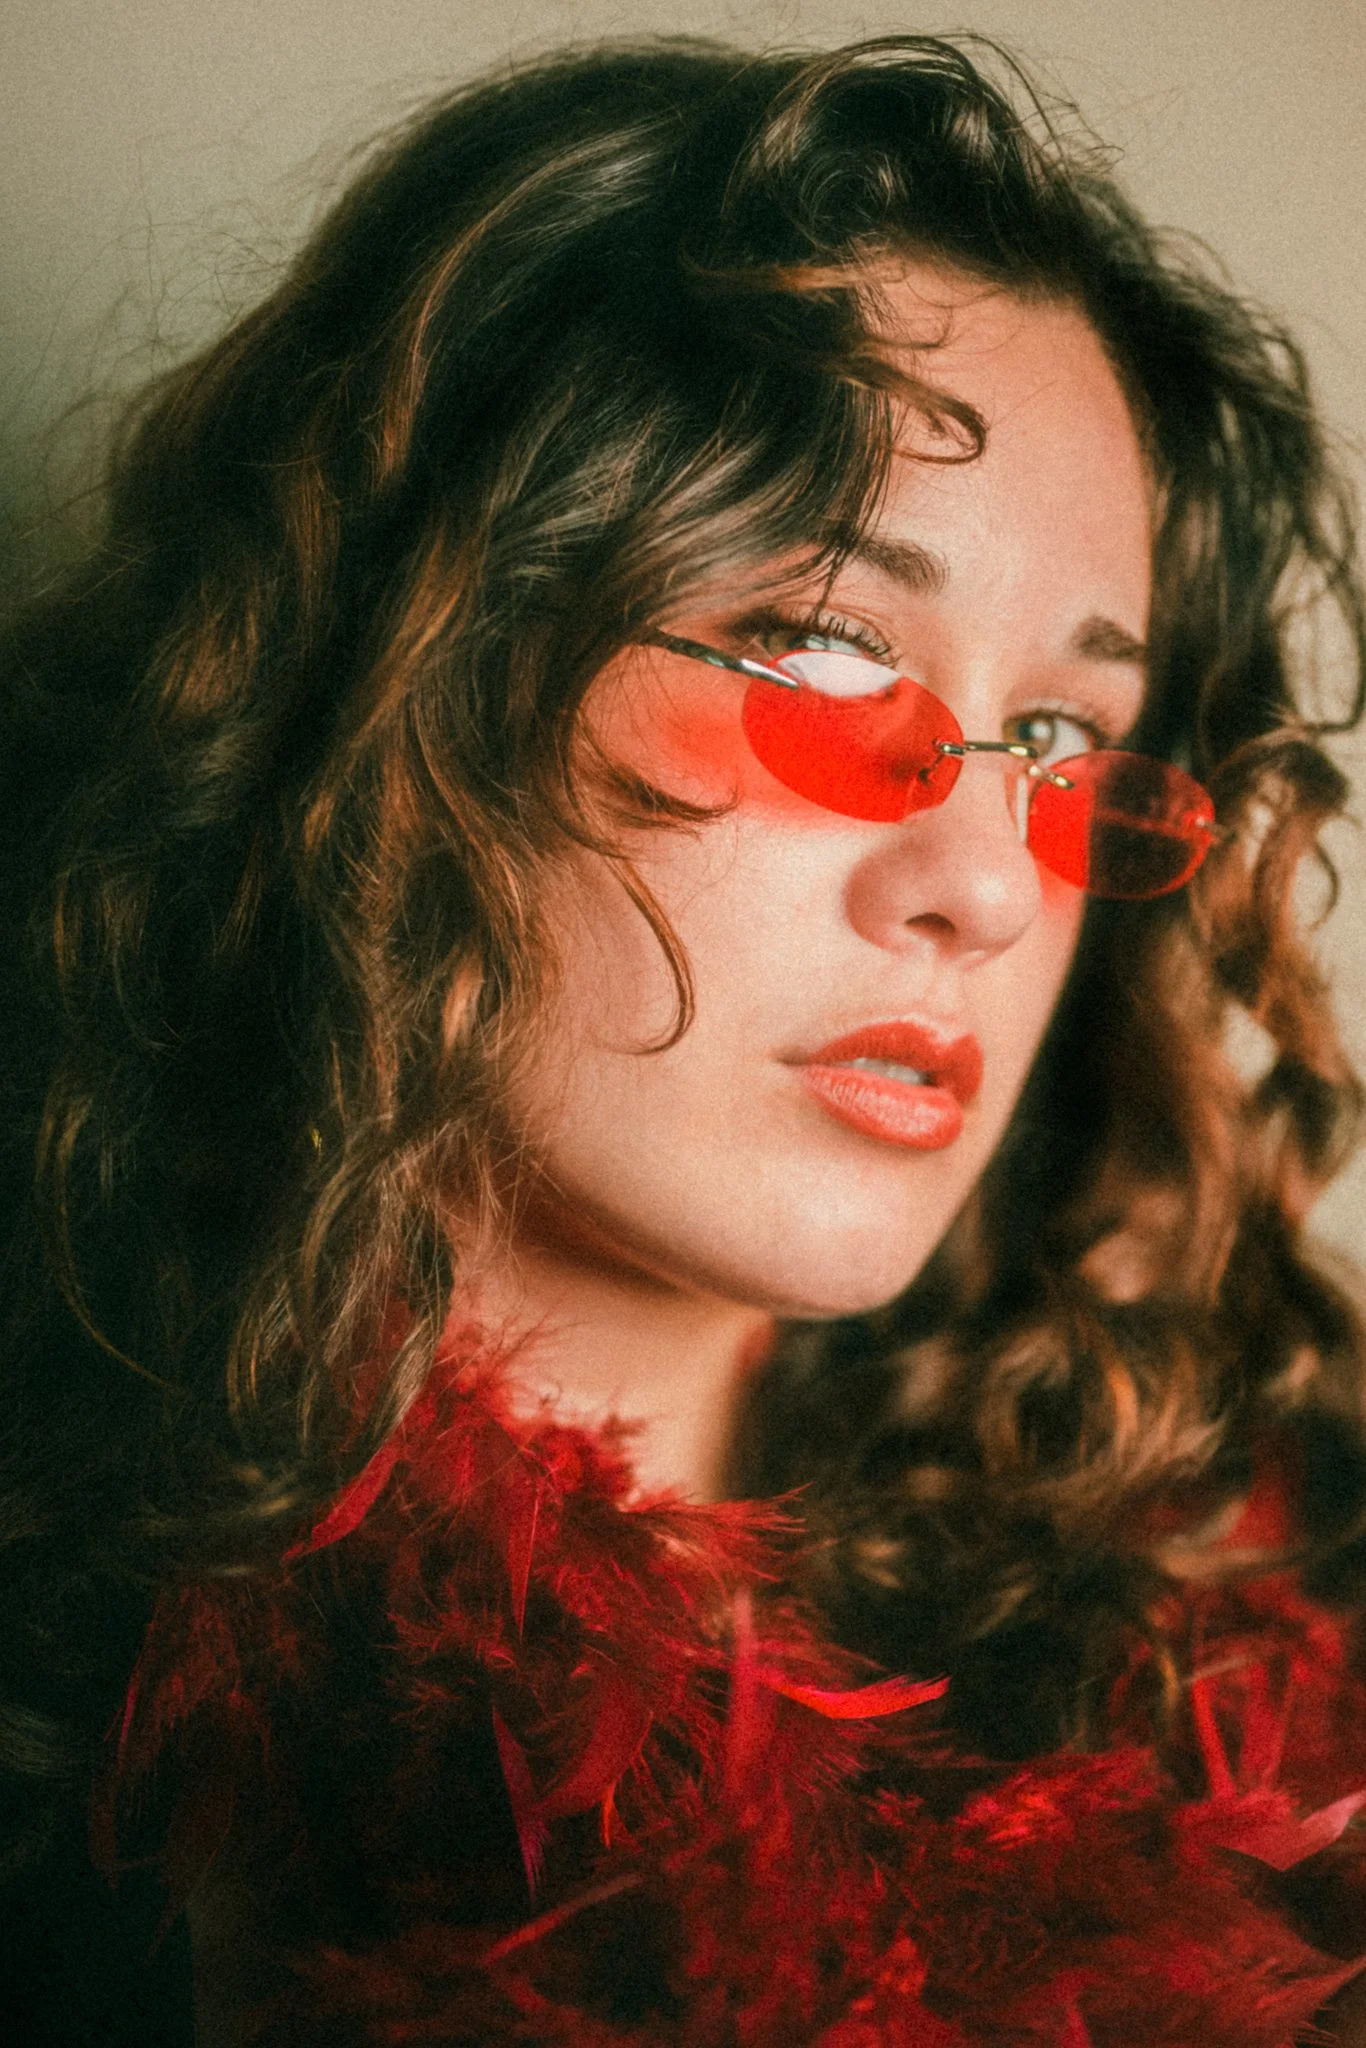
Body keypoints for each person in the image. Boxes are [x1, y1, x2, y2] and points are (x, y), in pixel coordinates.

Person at [3, 32, 1366, 2047]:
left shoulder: (1287, 1642)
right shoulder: (67, 1741)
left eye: (1065, 738)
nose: (983, 880)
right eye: (817, 646)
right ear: (415, 685)